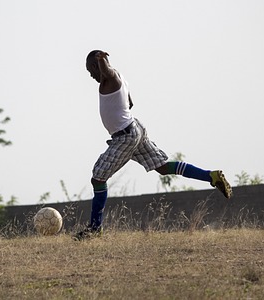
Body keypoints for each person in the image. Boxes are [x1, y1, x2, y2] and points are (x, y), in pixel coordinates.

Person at [74, 50, 232, 240]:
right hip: (134, 129)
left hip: (125, 136)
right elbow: (130, 103)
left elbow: (107, 72)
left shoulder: (112, 76)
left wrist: (101, 60)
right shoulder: (120, 80)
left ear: (95, 66)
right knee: (163, 168)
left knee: (98, 178)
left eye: (90, 71)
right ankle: (211, 176)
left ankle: (95, 228)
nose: (91, 76)